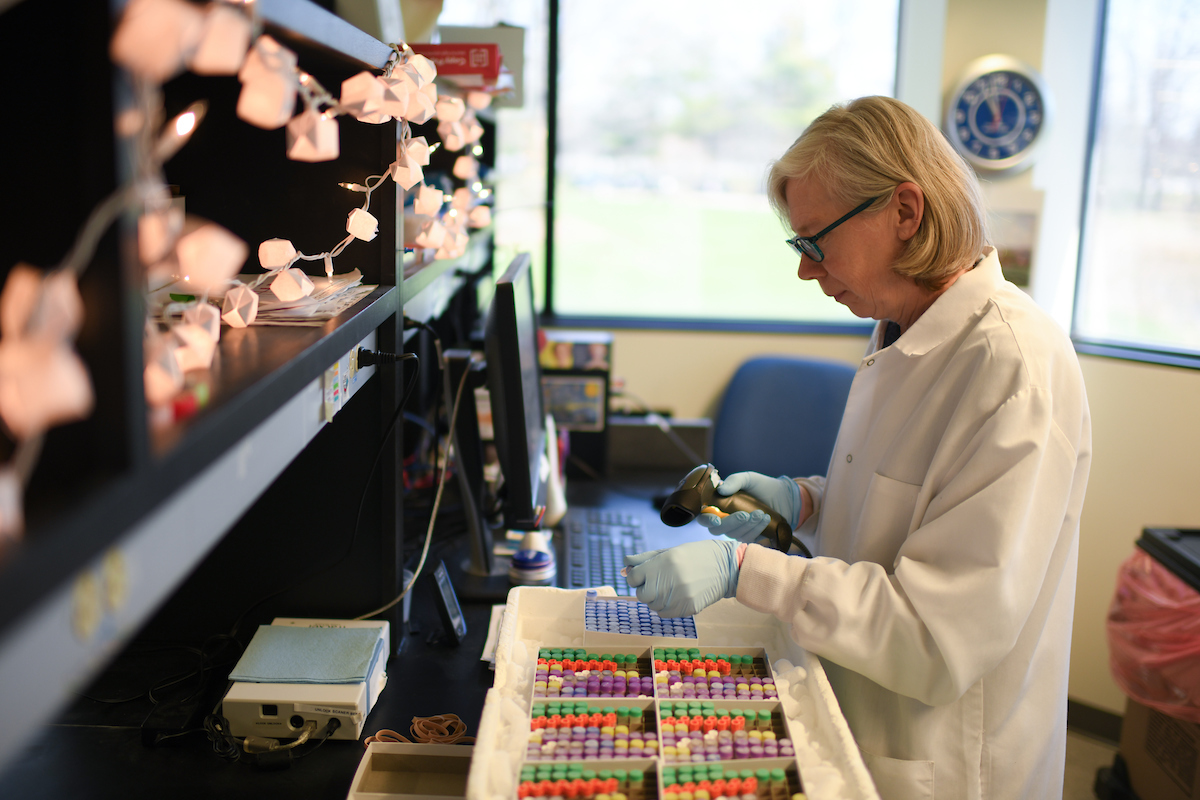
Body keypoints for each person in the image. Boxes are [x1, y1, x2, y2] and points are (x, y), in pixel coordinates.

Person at [624, 96, 1092, 800]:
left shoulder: (1012, 365)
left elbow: (936, 635)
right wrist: (806, 501)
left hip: (942, 760)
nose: (807, 271)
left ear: (905, 212)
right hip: (863, 707)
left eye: (815, 241)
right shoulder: (905, 328)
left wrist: (741, 569)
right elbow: (906, 503)